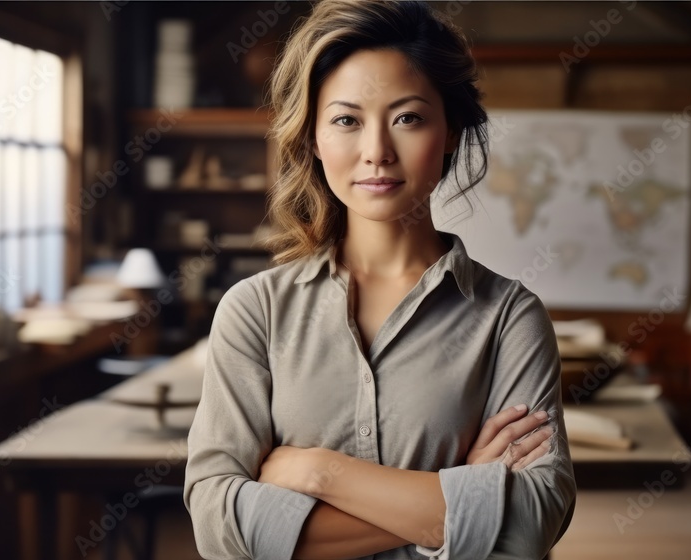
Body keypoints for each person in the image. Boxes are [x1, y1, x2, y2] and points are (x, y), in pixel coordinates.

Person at [183, 1, 576, 558]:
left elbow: (529, 523)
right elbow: (218, 525)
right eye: (346, 120)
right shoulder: (255, 310)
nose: (377, 153)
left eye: (408, 117)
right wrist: (461, 497)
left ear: (448, 132)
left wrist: (320, 473)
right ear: (314, 138)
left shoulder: (510, 316)